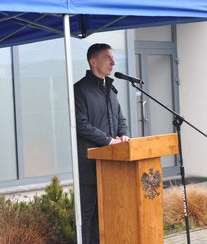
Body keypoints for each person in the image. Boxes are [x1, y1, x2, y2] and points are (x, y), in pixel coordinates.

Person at [74, 43, 130, 244]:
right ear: (93, 62)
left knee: (105, 215)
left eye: (113, 59)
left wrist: (122, 136)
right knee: (87, 217)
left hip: (110, 167)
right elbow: (81, 125)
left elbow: (120, 119)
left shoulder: (111, 89)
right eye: (108, 58)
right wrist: (109, 141)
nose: (113, 63)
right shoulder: (80, 90)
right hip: (88, 167)